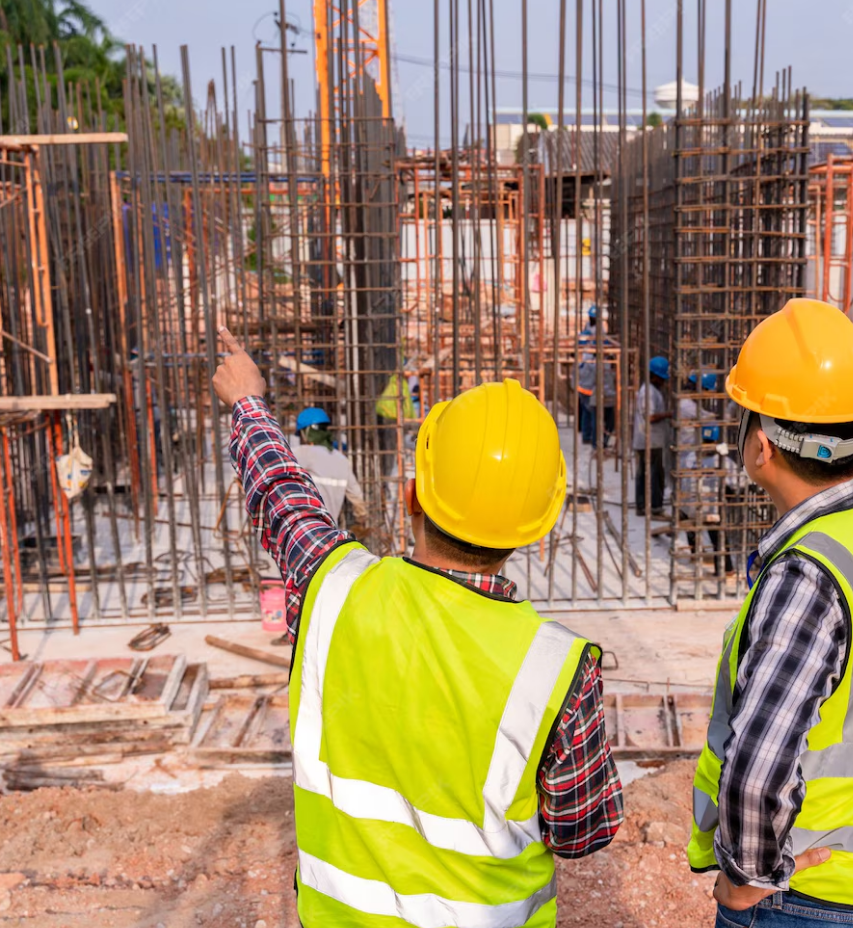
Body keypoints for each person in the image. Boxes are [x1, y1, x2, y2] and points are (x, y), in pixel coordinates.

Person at [212, 328, 623, 928]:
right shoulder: (557, 668)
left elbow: (281, 496)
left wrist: (248, 403)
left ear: (412, 495)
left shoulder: (335, 588)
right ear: (537, 529)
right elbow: (584, 830)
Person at [686, 299, 853, 928]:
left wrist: (748, 878)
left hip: (807, 897)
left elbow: (758, 767)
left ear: (759, 446)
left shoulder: (806, 574)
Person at [678, 372, 732, 576]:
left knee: (686, 514)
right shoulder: (722, 459)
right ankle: (725, 569)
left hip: (692, 506)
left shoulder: (692, 458)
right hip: (711, 510)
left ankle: (694, 551)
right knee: (717, 530)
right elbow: (737, 483)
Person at [291, 407, 370, 540]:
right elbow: (357, 497)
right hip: (331, 533)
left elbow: (271, 460)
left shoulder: (303, 453)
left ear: (307, 432)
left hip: (304, 531)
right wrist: (361, 518)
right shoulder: (342, 460)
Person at [633, 355, 670, 516]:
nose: (663, 382)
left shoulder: (651, 389)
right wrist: (669, 414)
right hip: (649, 439)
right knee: (654, 475)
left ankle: (643, 505)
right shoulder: (648, 392)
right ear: (654, 376)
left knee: (645, 474)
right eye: (661, 378)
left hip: (648, 439)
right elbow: (650, 416)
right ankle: (653, 506)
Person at [576, 306, 617, 449]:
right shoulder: (592, 333)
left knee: (589, 411)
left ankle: (589, 436)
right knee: (591, 412)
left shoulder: (597, 331)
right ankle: (591, 438)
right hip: (589, 385)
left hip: (588, 383)